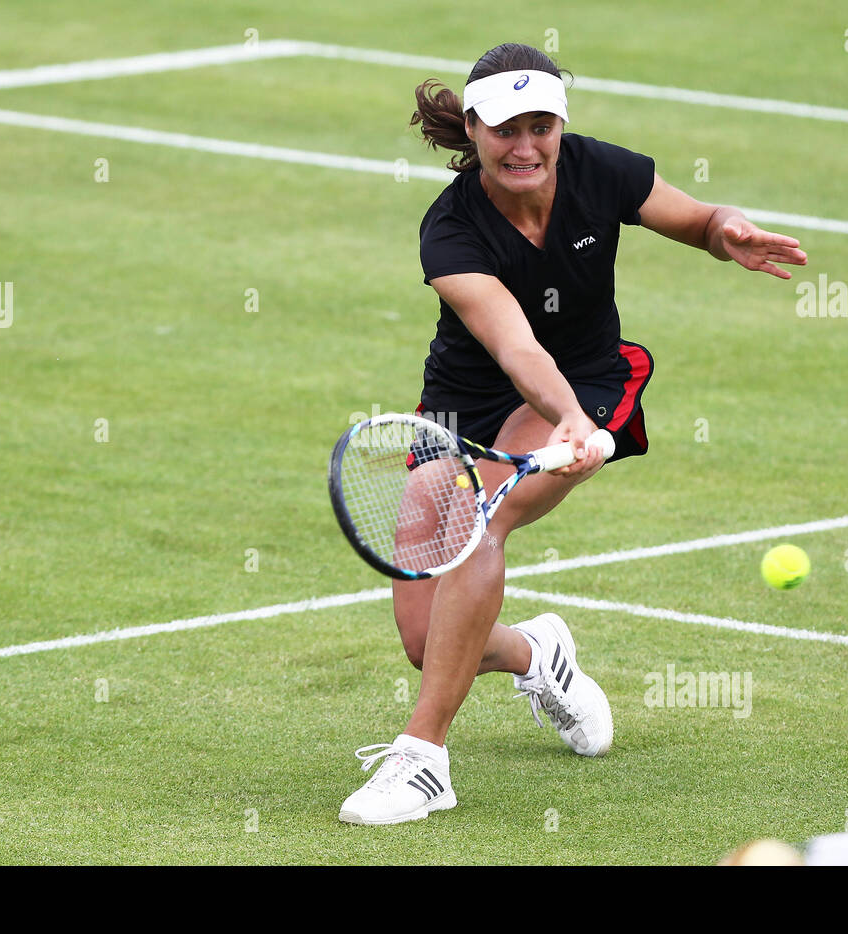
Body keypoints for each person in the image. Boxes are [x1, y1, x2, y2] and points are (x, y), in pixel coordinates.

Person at [339, 42, 807, 825]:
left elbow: (694, 219)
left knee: (481, 520)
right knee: (427, 644)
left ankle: (423, 761)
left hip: (589, 383)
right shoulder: (450, 232)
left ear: (561, 125)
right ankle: (537, 655)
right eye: (504, 129)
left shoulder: (601, 170)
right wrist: (561, 416)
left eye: (541, 126)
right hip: (464, 408)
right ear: (475, 131)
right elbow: (516, 346)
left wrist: (728, 230)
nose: (525, 147)